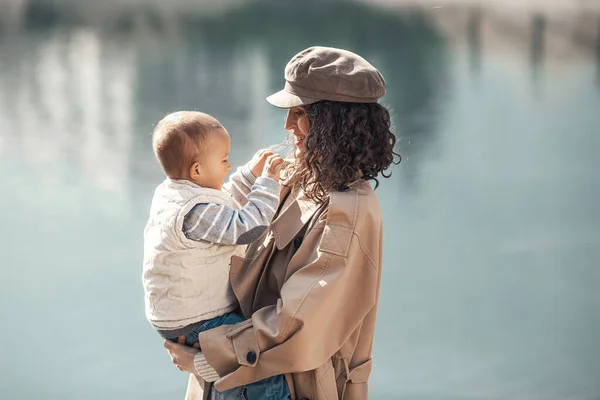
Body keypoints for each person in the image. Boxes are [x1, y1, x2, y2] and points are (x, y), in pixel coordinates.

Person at [165, 46, 400, 400]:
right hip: (235, 373)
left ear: (335, 121)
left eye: (300, 113)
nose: (288, 125)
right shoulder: (298, 178)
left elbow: (298, 322)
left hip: (288, 384)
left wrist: (208, 358)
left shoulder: (348, 212)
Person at [143, 111, 290, 399]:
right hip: (198, 318)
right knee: (256, 362)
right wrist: (268, 183)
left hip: (177, 314)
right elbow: (247, 227)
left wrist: (250, 173)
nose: (230, 165)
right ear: (197, 171)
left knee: (238, 360)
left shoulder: (177, 193)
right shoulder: (196, 213)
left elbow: (223, 200)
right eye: (224, 160)